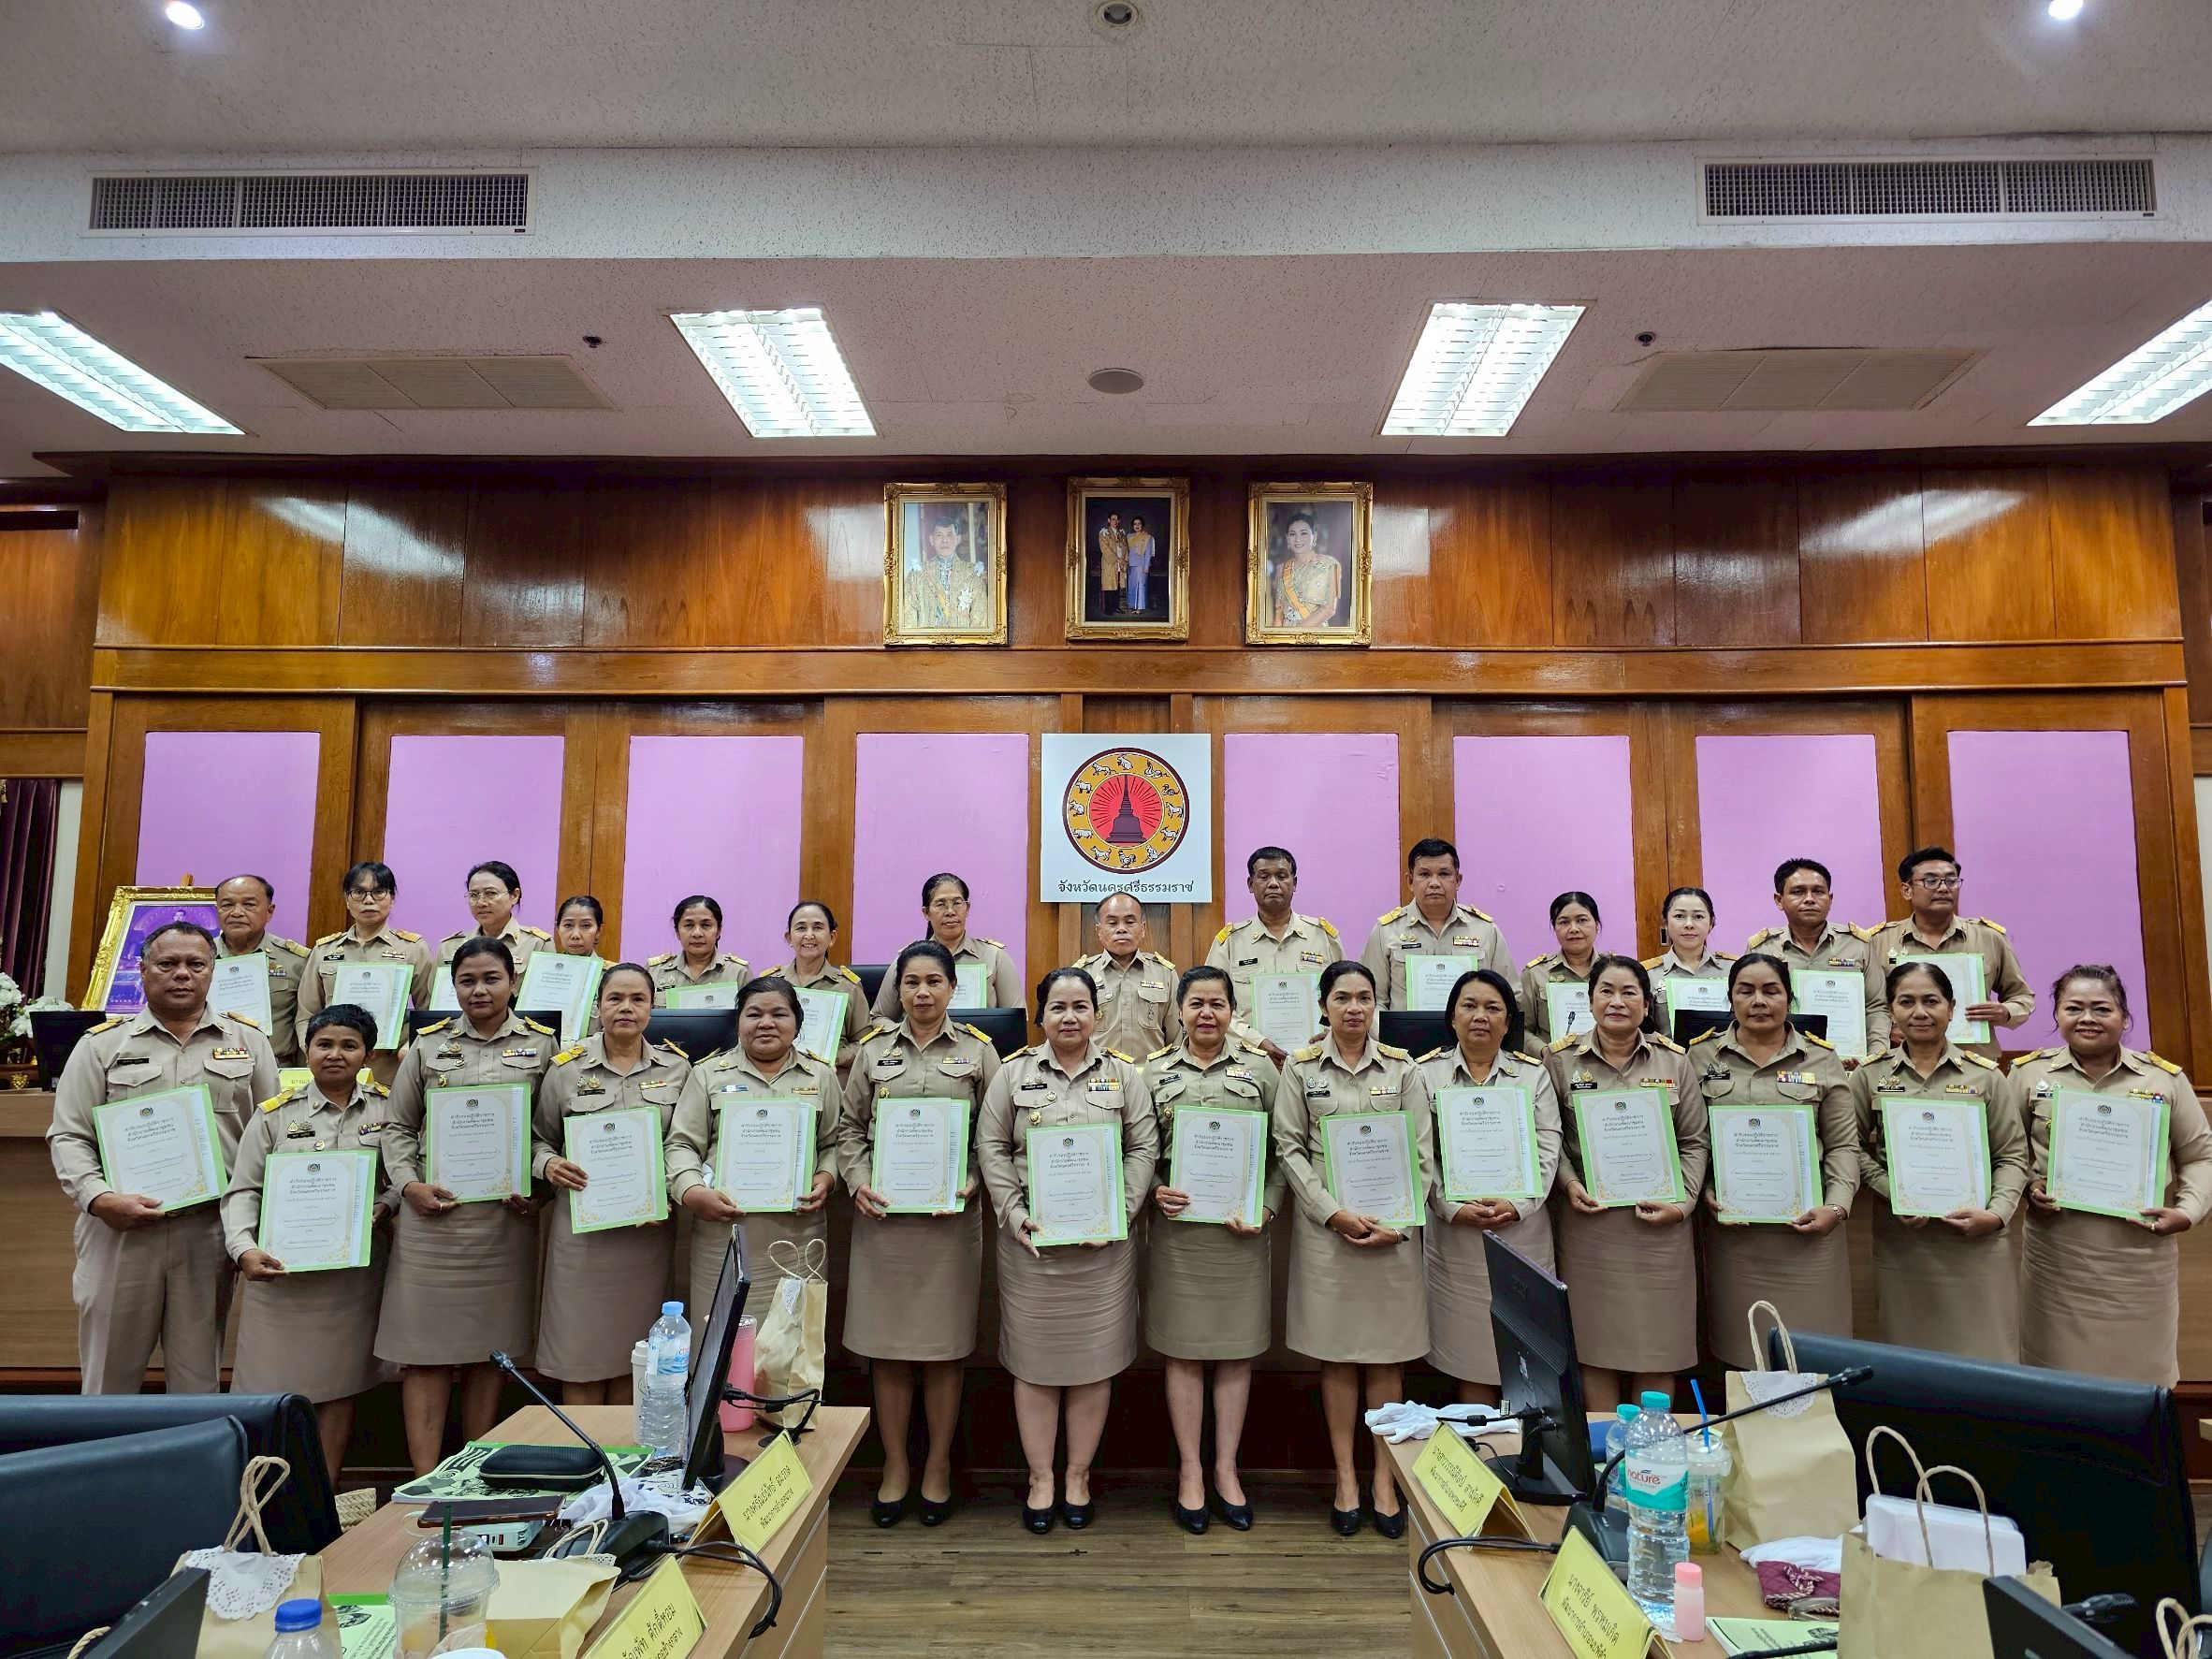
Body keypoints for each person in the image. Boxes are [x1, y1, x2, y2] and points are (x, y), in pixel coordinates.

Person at [47, 921, 280, 1394]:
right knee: (108, 1377)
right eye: (168, 963)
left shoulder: (249, 1042)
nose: (182, 974)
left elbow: (269, 1138)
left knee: (197, 1383)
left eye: (196, 964)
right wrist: (99, 1199)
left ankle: (190, 1468)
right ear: (143, 970)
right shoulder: (102, 1045)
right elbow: (69, 1135)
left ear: (213, 971)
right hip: (120, 1232)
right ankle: (102, 1469)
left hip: (208, 1232)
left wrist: (251, 1227)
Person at [978, 968, 1157, 1535]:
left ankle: (1077, 1475)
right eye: (1058, 1007)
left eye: (1081, 1006)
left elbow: (1144, 1145)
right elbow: (992, 1147)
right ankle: (1040, 1478)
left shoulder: (1125, 1078)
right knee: (1033, 1364)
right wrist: (1013, 1214)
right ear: (1041, 1016)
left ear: (1097, 1016)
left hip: (1103, 1247)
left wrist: (1121, 1213)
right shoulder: (1012, 1075)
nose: (1070, 1017)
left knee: (1092, 1363)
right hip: (1032, 1245)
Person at [373, 937, 556, 1475]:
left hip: (504, 1221)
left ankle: (477, 1470)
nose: (479, 990)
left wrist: (540, 1193)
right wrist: (409, 1187)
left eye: (491, 979)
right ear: (453, 986)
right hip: (434, 1219)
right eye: (467, 980)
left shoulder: (544, 1048)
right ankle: (426, 1476)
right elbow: (399, 1128)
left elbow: (549, 1132)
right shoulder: (426, 1047)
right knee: (425, 1352)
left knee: (489, 1351)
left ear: (512, 983)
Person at [837, 941, 1003, 1527]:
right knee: (888, 1350)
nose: (923, 993)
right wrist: (857, 1180)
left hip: (949, 1224)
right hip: (884, 1222)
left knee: (942, 1350)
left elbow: (995, 1137)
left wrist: (976, 1180)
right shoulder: (872, 1052)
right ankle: (895, 1467)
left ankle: (936, 1465)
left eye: (934, 981)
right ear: (898, 989)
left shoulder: (981, 1054)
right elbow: (848, 1129)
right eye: (911, 983)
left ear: (954, 988)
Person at [1272, 960, 1433, 1538]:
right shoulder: (1299, 1069)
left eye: (1364, 998)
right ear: (1324, 1005)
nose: (1354, 1008)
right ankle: (1345, 1477)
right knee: (1337, 1356)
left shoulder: (1403, 1069)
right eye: (1342, 998)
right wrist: (1331, 1212)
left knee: (1387, 1358)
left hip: (1393, 1234)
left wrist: (1402, 1222)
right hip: (1328, 1235)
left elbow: (1422, 1152)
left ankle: (1385, 1480)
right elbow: (1288, 1148)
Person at [2017, 966, 2212, 1388]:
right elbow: (2008, 1155)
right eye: (2074, 1008)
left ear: (2124, 1018)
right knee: (2057, 1384)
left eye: (2101, 1008)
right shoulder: (2029, 1074)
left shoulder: (2164, 1079)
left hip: (2139, 1259)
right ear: (2057, 1016)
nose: (2087, 1018)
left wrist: (2187, 1213)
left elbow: (2201, 1157)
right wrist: (2029, 1190)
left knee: (2140, 1384)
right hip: (2058, 1258)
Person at [224, 1003, 392, 1478]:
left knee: (338, 1385)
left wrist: (386, 1206)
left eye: (348, 1045)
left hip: (349, 1280)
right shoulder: (275, 1114)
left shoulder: (387, 1110)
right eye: (324, 1044)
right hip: (282, 1277)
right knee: (270, 1390)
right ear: (306, 1049)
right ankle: (268, 1500)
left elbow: (404, 1178)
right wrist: (243, 1248)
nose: (335, 1054)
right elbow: (244, 1190)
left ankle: (323, 1493)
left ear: (367, 1055)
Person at [1142, 967, 1281, 1533]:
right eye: (1196, 1003)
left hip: (1240, 1233)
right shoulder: (1149, 1073)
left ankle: (1226, 1469)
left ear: (1232, 1010)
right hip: (1179, 1234)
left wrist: (1267, 1206)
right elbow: (1137, 1149)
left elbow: (1285, 1147)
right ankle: (1191, 1471)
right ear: (1179, 1010)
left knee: (1234, 1350)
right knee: (1183, 1351)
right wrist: (1153, 1189)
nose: (1207, 1013)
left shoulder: (1263, 1072)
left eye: (1218, 1004)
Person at [1543, 953, 1707, 1410]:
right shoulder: (1557, 1061)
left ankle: (1652, 1461)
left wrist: (1684, 1204)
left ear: (1647, 1002)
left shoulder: (1675, 1062)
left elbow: (1694, 1141)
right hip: (1590, 1224)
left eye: (1629, 992)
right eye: (1606, 992)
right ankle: (1606, 1464)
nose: (1617, 1001)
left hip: (1661, 1225)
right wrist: (1570, 1183)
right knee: (1596, 1349)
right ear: (1590, 999)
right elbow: (1547, 1139)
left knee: (1660, 1345)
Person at [1846, 961, 2028, 1361]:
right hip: (1905, 1244)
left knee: (1985, 1355)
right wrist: (1894, 1191)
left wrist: (1996, 1215)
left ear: (1951, 1006)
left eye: (1931, 1001)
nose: (1920, 1012)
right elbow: (1850, 1148)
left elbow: (2013, 1156)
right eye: (1906, 1002)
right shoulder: (1869, 1076)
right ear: (1891, 1011)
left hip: (1977, 1242)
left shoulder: (1986, 1076)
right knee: (1911, 1359)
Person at [532, 963, 691, 1404]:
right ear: (598, 1005)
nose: (626, 1008)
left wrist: (669, 1188)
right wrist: (548, 1164)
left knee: (636, 1355)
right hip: (582, 1236)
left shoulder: (678, 1069)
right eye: (615, 999)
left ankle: (627, 1463)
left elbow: (688, 1144)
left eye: (637, 999)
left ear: (652, 1007)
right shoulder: (565, 1069)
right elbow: (537, 1138)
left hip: (647, 1237)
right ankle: (587, 1462)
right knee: (581, 1353)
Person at [1692, 953, 1857, 1369]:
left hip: (1809, 1235)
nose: (1759, 1001)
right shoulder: (1701, 1058)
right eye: (1746, 991)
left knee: (1813, 1356)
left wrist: (1836, 1209)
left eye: (1771, 990)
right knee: (1743, 1354)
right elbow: (1692, 1140)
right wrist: (1707, 1189)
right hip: (1736, 1237)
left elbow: (1842, 1146)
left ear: (1790, 998)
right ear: (1731, 998)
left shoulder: (1821, 1060)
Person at [1419, 969, 1559, 1406]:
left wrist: (1518, 1204)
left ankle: (1529, 1457)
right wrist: (1448, 1205)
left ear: (1508, 1019)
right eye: (1469, 1006)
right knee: (1470, 1352)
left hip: (1522, 1231)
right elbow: (1421, 1154)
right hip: (1456, 1235)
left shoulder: (1532, 1075)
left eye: (1493, 1007)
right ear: (1453, 1017)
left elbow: (1548, 1148)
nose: (1481, 1016)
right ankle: (1480, 1455)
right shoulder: (1424, 1075)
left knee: (1527, 1352)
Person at [667, 976, 839, 1324]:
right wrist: (694, 1192)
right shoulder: (707, 1075)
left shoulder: (820, 1075)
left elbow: (834, 1143)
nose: (766, 1023)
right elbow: (681, 1144)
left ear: (797, 1023)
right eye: (753, 1014)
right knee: (723, 1348)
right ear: (739, 1022)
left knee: (791, 1353)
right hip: (724, 1233)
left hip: (798, 1236)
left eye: (779, 1014)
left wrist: (826, 1178)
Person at [1864, 846, 2031, 1059]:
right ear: (1907, 890)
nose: (1943, 888)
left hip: (1973, 1064)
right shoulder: (1877, 942)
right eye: (1931, 881)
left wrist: (2005, 1012)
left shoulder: (1989, 937)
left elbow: (2022, 996)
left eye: (1951, 881)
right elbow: (1866, 1007)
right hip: (1902, 1065)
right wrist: (1884, 1030)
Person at [1204, 846, 1343, 1063]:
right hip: (1249, 1059)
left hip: (1317, 1059)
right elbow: (1212, 1003)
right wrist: (1255, 1041)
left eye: (1281, 876)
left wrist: (1333, 1034)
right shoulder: (1230, 942)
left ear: (1294, 883)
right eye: (1264, 876)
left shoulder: (1323, 936)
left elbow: (1344, 994)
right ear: (1251, 884)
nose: (1273, 883)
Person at [298, 861, 433, 1070]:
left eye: (378, 892)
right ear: (347, 900)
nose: (369, 900)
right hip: (332, 1064)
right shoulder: (325, 950)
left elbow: (428, 1010)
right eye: (359, 892)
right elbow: (306, 1014)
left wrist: (408, 1047)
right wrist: (314, 1051)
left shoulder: (413, 948)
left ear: (392, 899)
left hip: (389, 1065)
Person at [1744, 858, 1878, 1066]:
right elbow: (1747, 1008)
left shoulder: (1858, 945)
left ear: (1830, 899)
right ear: (1779, 900)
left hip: (1849, 1063)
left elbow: (1876, 1005)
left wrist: (1874, 1057)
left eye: (1818, 891)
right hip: (1781, 1062)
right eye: (1798, 892)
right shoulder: (1762, 948)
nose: (1809, 899)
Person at [1359, 837, 1511, 1010]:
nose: (1434, 883)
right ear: (1410, 881)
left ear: (1458, 881)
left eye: (1444, 874)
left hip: (1470, 1035)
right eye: (1424, 874)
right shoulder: (1385, 931)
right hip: (1402, 1036)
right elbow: (1372, 1000)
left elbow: (1508, 996)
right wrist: (1388, 1035)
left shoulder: (1485, 930)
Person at [868, 872, 1022, 1017]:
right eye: (940, 904)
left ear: (967, 908)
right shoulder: (907, 959)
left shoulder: (994, 956)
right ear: (926, 913)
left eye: (957, 903)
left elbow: (1016, 1019)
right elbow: (879, 1017)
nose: (950, 911)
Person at [753, 900, 867, 1067]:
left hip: (832, 1077)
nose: (809, 935)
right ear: (789, 937)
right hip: (778, 1073)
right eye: (801, 928)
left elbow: (865, 1043)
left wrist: (834, 1059)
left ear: (832, 937)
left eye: (817, 927)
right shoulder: (769, 984)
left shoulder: (848, 986)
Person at [212, 873, 311, 1065]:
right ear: (217, 910)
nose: (237, 912)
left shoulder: (296, 961)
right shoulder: (196, 958)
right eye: (227, 905)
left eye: (249, 904)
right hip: (211, 1065)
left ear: (269, 911)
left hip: (276, 1068)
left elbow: (307, 1024)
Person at [1076, 891, 1177, 1058]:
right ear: (1099, 930)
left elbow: (1177, 1038)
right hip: (1098, 1076)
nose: (1121, 929)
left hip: (1150, 1077)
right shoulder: (1081, 975)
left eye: (1130, 922)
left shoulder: (1164, 974)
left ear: (1143, 928)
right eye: (1112, 923)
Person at [434, 860, 550, 992]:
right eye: (474, 895)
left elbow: (545, 1000)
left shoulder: (537, 944)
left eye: (491, 893)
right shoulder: (448, 948)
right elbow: (431, 1004)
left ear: (514, 896)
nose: (481, 903)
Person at [1521, 891, 1603, 1045]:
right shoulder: (1536, 973)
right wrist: (1544, 1052)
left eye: (1582, 920)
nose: (1573, 929)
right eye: (1564, 922)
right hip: (1552, 1065)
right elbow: (1522, 1030)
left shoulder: (1616, 969)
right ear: (1555, 927)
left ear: (1597, 925)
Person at [651, 894, 750, 1002]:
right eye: (688, 925)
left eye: (706, 925)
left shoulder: (738, 972)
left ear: (718, 931)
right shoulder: (655, 971)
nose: (697, 933)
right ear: (677, 932)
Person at [904, 512, 987, 633]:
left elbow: (980, 620)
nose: (944, 540)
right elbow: (908, 619)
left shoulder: (972, 575)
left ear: (957, 539)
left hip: (963, 647)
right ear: (932, 540)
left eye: (949, 535)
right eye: (939, 535)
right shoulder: (917, 575)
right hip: (926, 646)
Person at [551, 895, 611, 1039]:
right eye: (568, 925)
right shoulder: (542, 972)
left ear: (598, 931)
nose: (576, 935)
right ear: (558, 929)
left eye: (586, 926)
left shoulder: (612, 977)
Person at [1271, 510, 1342, 629]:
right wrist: (1273, 642)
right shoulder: (1281, 568)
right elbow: (1279, 613)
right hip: (1285, 638)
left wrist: (1297, 633)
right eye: (1293, 534)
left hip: (1315, 637)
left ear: (1314, 537)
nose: (1298, 539)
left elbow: (1328, 609)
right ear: (1287, 539)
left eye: (1304, 533)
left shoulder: (1328, 565)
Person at [1097, 511, 1128, 611]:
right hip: (1110, 563)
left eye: (1116, 519)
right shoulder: (1104, 532)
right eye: (1112, 519)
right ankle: (1109, 609)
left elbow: (1125, 547)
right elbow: (1105, 548)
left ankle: (1116, 607)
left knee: (1117, 585)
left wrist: (1123, 559)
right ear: (1109, 520)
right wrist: (1116, 558)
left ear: (1119, 521)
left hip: (1120, 563)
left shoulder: (1121, 533)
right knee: (1109, 585)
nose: (1115, 521)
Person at [1124, 514, 1155, 613]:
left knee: (1141, 586)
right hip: (1131, 565)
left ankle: (1140, 608)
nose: (1137, 526)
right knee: (1132, 586)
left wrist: (1146, 566)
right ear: (1133, 525)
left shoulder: (1147, 538)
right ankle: (1133, 605)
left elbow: (1148, 553)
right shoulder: (1129, 536)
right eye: (1135, 524)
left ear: (1142, 525)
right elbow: (1126, 551)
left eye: (1139, 524)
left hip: (1141, 565)